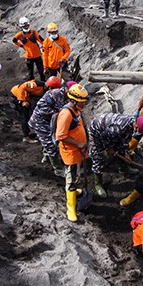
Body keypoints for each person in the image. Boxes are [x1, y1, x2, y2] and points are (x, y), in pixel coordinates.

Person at [88, 113, 143, 198]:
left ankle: (123, 168)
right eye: (139, 130)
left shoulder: (130, 125)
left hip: (109, 132)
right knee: (98, 157)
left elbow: (125, 140)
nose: (138, 132)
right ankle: (98, 183)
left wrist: (125, 153)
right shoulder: (118, 128)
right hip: (97, 131)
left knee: (120, 149)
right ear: (136, 125)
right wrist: (108, 148)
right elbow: (104, 136)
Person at [55, 84, 90, 222]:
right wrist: (78, 143)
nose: (84, 103)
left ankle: (74, 192)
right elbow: (61, 135)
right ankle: (70, 207)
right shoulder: (66, 114)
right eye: (82, 101)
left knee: (76, 175)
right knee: (71, 177)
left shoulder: (76, 110)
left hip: (79, 151)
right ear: (74, 100)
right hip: (71, 152)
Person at [29, 83, 70, 177]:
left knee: (51, 141)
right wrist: (55, 114)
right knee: (50, 144)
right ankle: (58, 169)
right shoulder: (53, 94)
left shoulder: (67, 98)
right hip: (40, 122)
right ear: (66, 89)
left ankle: (47, 157)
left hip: (50, 123)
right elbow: (41, 106)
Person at [11, 75, 61, 143]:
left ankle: (31, 132)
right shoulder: (34, 85)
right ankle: (26, 137)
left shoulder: (44, 90)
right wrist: (23, 101)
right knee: (24, 116)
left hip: (27, 98)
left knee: (30, 113)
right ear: (50, 87)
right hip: (17, 96)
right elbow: (22, 87)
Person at [12, 16, 44, 81]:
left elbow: (42, 41)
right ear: (21, 26)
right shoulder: (19, 35)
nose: (26, 26)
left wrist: (45, 47)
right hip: (29, 56)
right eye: (24, 26)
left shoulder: (34, 33)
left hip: (37, 55)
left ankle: (43, 83)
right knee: (30, 73)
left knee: (41, 71)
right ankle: (31, 86)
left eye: (27, 25)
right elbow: (14, 41)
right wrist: (21, 46)